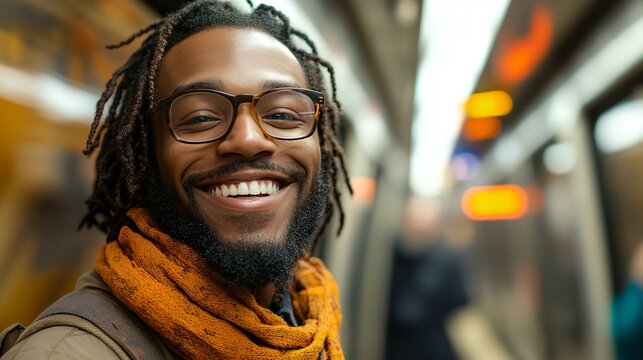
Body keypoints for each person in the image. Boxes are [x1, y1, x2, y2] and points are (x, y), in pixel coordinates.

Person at [0, 0, 352, 358]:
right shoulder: (68, 352)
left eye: (282, 114)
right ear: (148, 155)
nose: (248, 140)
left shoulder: (309, 319)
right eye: (200, 118)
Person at [385, 196, 469, 360]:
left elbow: (460, 301)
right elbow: (461, 300)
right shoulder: (449, 257)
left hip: (426, 344)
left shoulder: (449, 259)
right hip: (405, 344)